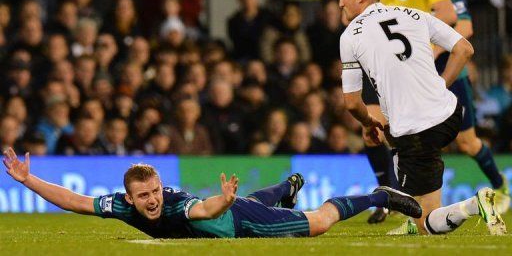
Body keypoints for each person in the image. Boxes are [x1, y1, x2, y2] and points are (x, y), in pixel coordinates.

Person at [337, 0, 506, 236]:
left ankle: (475, 205)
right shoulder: (413, 14)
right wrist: (442, 84)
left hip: (418, 131)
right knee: (397, 148)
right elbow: (465, 49)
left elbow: (351, 102)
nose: (340, 2)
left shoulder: (350, 36)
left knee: (426, 223)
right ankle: (416, 211)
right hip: (450, 115)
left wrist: (368, 122)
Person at [2, 147, 422, 238]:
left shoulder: (177, 204)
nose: (152, 200)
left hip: (233, 219)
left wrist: (223, 200)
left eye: (154, 192)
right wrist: (26, 180)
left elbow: (204, 211)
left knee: (318, 224)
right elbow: (75, 201)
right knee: (263, 197)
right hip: (228, 209)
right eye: (143, 196)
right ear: (128, 198)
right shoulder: (121, 205)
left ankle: (380, 196)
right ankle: (290, 185)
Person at [361, 0, 458, 224]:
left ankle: (407, 196)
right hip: (377, 66)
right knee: (373, 130)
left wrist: (428, 48)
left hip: (410, 69)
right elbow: (351, 20)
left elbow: (448, 13)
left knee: (401, 132)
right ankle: (387, 197)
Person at [411, 0, 510, 216]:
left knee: (467, 142)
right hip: (418, 78)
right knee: (418, 141)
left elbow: (465, 26)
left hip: (452, 74)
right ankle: (414, 206)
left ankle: (500, 185)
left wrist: (433, 49)